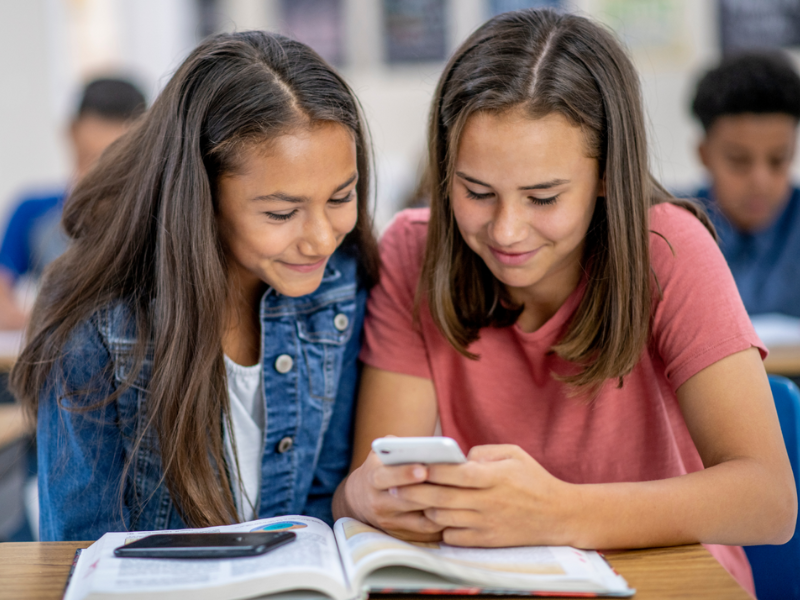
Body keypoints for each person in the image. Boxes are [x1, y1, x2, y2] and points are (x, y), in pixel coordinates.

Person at [332, 9, 796, 595]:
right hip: (500, 579)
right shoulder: (413, 252)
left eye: (543, 197)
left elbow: (769, 502)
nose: (506, 231)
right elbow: (373, 483)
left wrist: (558, 511)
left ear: (606, 176)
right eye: (476, 191)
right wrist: (363, 496)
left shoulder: (670, 249)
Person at [10, 30, 379, 541]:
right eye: (281, 211)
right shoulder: (96, 320)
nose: (320, 240)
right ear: (200, 195)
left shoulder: (340, 285)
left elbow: (322, 509)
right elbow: (83, 549)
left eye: (341, 196)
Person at [0, 78, 146, 329]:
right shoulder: (34, 213)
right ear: (71, 133)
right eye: (86, 157)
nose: (93, 175)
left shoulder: (151, 218)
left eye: (112, 162)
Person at [691, 51, 800, 318]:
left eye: (777, 160)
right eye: (739, 161)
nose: (760, 181)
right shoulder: (668, 229)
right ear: (704, 154)